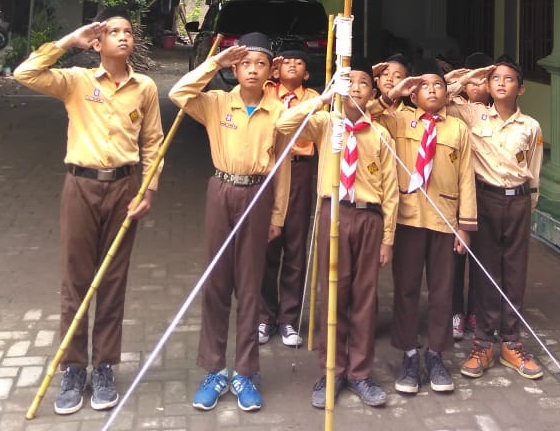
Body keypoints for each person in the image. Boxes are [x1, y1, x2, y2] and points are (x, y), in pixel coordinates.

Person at [13, 14, 164, 416]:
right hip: (80, 186)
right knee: (76, 280)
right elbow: (25, 73)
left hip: (125, 188)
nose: (123, 37)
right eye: (113, 32)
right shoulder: (76, 81)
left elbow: (153, 142)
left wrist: (148, 189)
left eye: (127, 32)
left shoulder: (145, 87)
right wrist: (69, 41)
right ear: (97, 43)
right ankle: (73, 367)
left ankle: (104, 367)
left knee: (112, 280)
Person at [168, 33, 290, 413]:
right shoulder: (217, 102)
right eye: (245, 63)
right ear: (235, 69)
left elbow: (283, 167)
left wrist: (278, 215)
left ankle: (246, 372)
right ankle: (214, 370)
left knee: (251, 285)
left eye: (260, 63)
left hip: (258, 194)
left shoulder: (278, 111)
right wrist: (214, 63)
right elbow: (177, 93)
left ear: (271, 71)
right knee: (216, 282)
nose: (252, 70)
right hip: (221, 191)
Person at [276, 57, 398, 409]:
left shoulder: (380, 134)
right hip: (333, 214)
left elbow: (391, 191)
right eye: (350, 82)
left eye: (363, 83)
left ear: (372, 92)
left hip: (369, 217)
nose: (356, 87)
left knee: (364, 298)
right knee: (332, 295)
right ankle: (332, 370)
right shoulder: (327, 124)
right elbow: (285, 124)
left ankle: (360, 372)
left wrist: (388, 238)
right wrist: (324, 97)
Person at [375, 58, 477, 396]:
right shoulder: (397, 119)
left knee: (442, 290)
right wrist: (393, 93)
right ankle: (408, 353)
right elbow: (367, 117)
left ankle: (435, 354)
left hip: (445, 219)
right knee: (405, 288)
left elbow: (466, 177)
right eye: (424, 85)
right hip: (407, 217)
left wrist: (465, 225)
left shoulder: (457, 129)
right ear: (413, 94)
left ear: (447, 93)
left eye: (438, 85)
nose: (432, 90)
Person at [447, 56, 544, 380]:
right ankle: (483, 343)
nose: (501, 83)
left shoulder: (530, 126)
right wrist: (471, 76)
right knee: (485, 272)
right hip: (485, 199)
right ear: (488, 85)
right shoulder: (472, 114)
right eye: (495, 78)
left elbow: (534, 171)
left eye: (509, 78)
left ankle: (511, 342)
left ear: (521, 89)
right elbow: (442, 94)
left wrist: (528, 205)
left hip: (518, 202)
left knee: (515, 273)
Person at [259, 39, 320, 348]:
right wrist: (268, 71)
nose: (293, 65)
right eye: (286, 62)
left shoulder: (316, 98)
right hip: (270, 170)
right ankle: (264, 315)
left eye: (299, 63)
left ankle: (288, 320)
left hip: (299, 171)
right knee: (267, 244)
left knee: (295, 245)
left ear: (307, 74)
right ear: (276, 69)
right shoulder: (266, 92)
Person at [448, 51, 492, 341]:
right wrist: (461, 79)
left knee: (483, 255)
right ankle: (455, 311)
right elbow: (438, 95)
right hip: (458, 189)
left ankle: (476, 310)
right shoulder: (456, 108)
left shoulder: (498, 112)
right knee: (455, 254)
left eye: (483, 80)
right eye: (473, 80)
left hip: (487, 190)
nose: (477, 86)